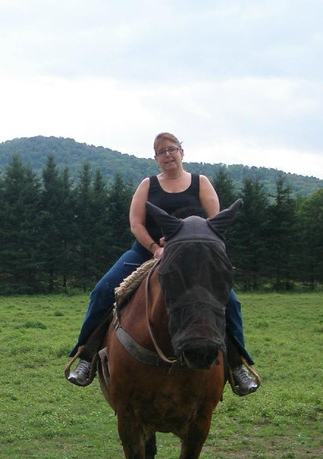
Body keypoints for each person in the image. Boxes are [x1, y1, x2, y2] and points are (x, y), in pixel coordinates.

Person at [65, 133, 258, 395]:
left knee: (230, 302)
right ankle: (86, 357)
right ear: (156, 159)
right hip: (146, 253)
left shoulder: (201, 183)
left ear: (182, 152)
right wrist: (155, 248)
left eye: (172, 149)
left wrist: (184, 243)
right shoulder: (148, 185)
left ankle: (237, 366)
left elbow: (214, 227)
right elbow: (136, 223)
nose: (168, 154)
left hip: (192, 261)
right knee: (102, 291)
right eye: (161, 152)